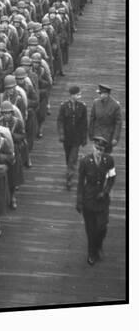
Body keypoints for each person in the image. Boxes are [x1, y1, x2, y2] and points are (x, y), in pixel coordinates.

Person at [76, 136, 116, 265]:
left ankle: (98, 245)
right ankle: (91, 253)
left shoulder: (109, 160)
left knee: (102, 227)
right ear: (93, 147)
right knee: (90, 229)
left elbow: (111, 178)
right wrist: (79, 201)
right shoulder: (85, 161)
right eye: (97, 148)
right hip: (89, 199)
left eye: (102, 149)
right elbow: (81, 183)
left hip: (102, 200)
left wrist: (105, 192)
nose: (99, 151)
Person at [57, 85, 88, 190]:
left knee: (73, 158)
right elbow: (60, 121)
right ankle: (69, 169)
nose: (79, 96)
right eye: (77, 94)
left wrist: (84, 138)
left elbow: (84, 123)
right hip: (67, 137)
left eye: (80, 94)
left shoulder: (82, 107)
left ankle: (69, 178)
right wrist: (61, 134)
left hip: (77, 138)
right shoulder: (64, 106)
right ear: (72, 95)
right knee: (68, 156)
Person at [88, 84, 122, 153]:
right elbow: (92, 119)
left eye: (101, 94)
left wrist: (115, 138)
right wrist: (91, 133)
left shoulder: (115, 105)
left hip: (108, 137)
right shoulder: (96, 103)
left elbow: (118, 123)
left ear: (107, 94)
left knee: (106, 158)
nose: (100, 95)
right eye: (99, 94)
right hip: (97, 135)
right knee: (96, 156)